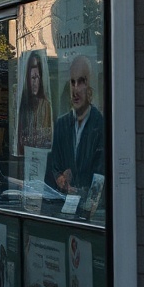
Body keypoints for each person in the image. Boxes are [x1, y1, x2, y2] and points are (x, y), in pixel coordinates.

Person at [47, 54, 105, 198]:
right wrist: (60, 178)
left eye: (81, 82)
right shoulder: (61, 124)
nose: (75, 89)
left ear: (89, 85)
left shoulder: (100, 124)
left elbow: (100, 174)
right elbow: (54, 166)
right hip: (64, 203)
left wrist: (83, 193)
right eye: (72, 82)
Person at [16, 51, 53, 154]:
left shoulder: (46, 105)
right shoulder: (23, 105)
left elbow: (48, 137)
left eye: (37, 78)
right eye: (32, 78)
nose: (35, 82)